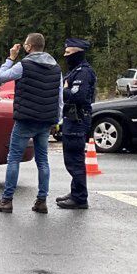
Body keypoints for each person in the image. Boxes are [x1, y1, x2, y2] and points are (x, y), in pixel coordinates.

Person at [0, 33, 62, 214]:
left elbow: (1, 77)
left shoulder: (24, 65)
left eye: (25, 45)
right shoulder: (56, 68)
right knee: (43, 161)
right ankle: (41, 200)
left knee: (14, 158)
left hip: (25, 120)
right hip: (46, 120)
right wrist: (56, 120)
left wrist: (10, 58)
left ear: (29, 47)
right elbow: (60, 96)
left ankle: (7, 200)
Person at [57, 37, 96, 210]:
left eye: (68, 53)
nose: (65, 55)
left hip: (77, 119)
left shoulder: (83, 72)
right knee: (72, 158)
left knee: (75, 159)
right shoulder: (76, 71)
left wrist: (65, 90)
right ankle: (76, 192)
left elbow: (77, 96)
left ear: (78, 53)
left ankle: (80, 198)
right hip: (72, 119)